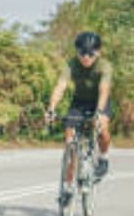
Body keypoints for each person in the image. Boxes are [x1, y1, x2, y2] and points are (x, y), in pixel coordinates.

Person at [46, 31, 113, 180]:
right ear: (77, 51)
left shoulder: (104, 66)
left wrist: (100, 112)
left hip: (99, 101)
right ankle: (68, 186)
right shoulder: (71, 65)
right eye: (82, 52)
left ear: (98, 52)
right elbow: (60, 86)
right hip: (80, 102)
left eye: (90, 53)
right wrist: (51, 109)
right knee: (70, 140)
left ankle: (103, 157)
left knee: (102, 129)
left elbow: (104, 90)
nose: (86, 57)